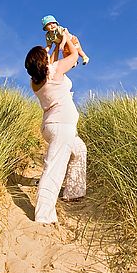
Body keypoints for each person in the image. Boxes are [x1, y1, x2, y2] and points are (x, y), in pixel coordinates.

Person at [24, 39, 87, 224]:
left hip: (53, 126)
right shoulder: (54, 70)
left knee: (80, 150)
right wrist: (65, 38)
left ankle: (73, 192)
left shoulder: (35, 82)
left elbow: (50, 63)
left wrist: (53, 49)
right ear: (43, 61)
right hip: (61, 126)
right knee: (54, 169)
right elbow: (74, 55)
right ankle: (44, 216)